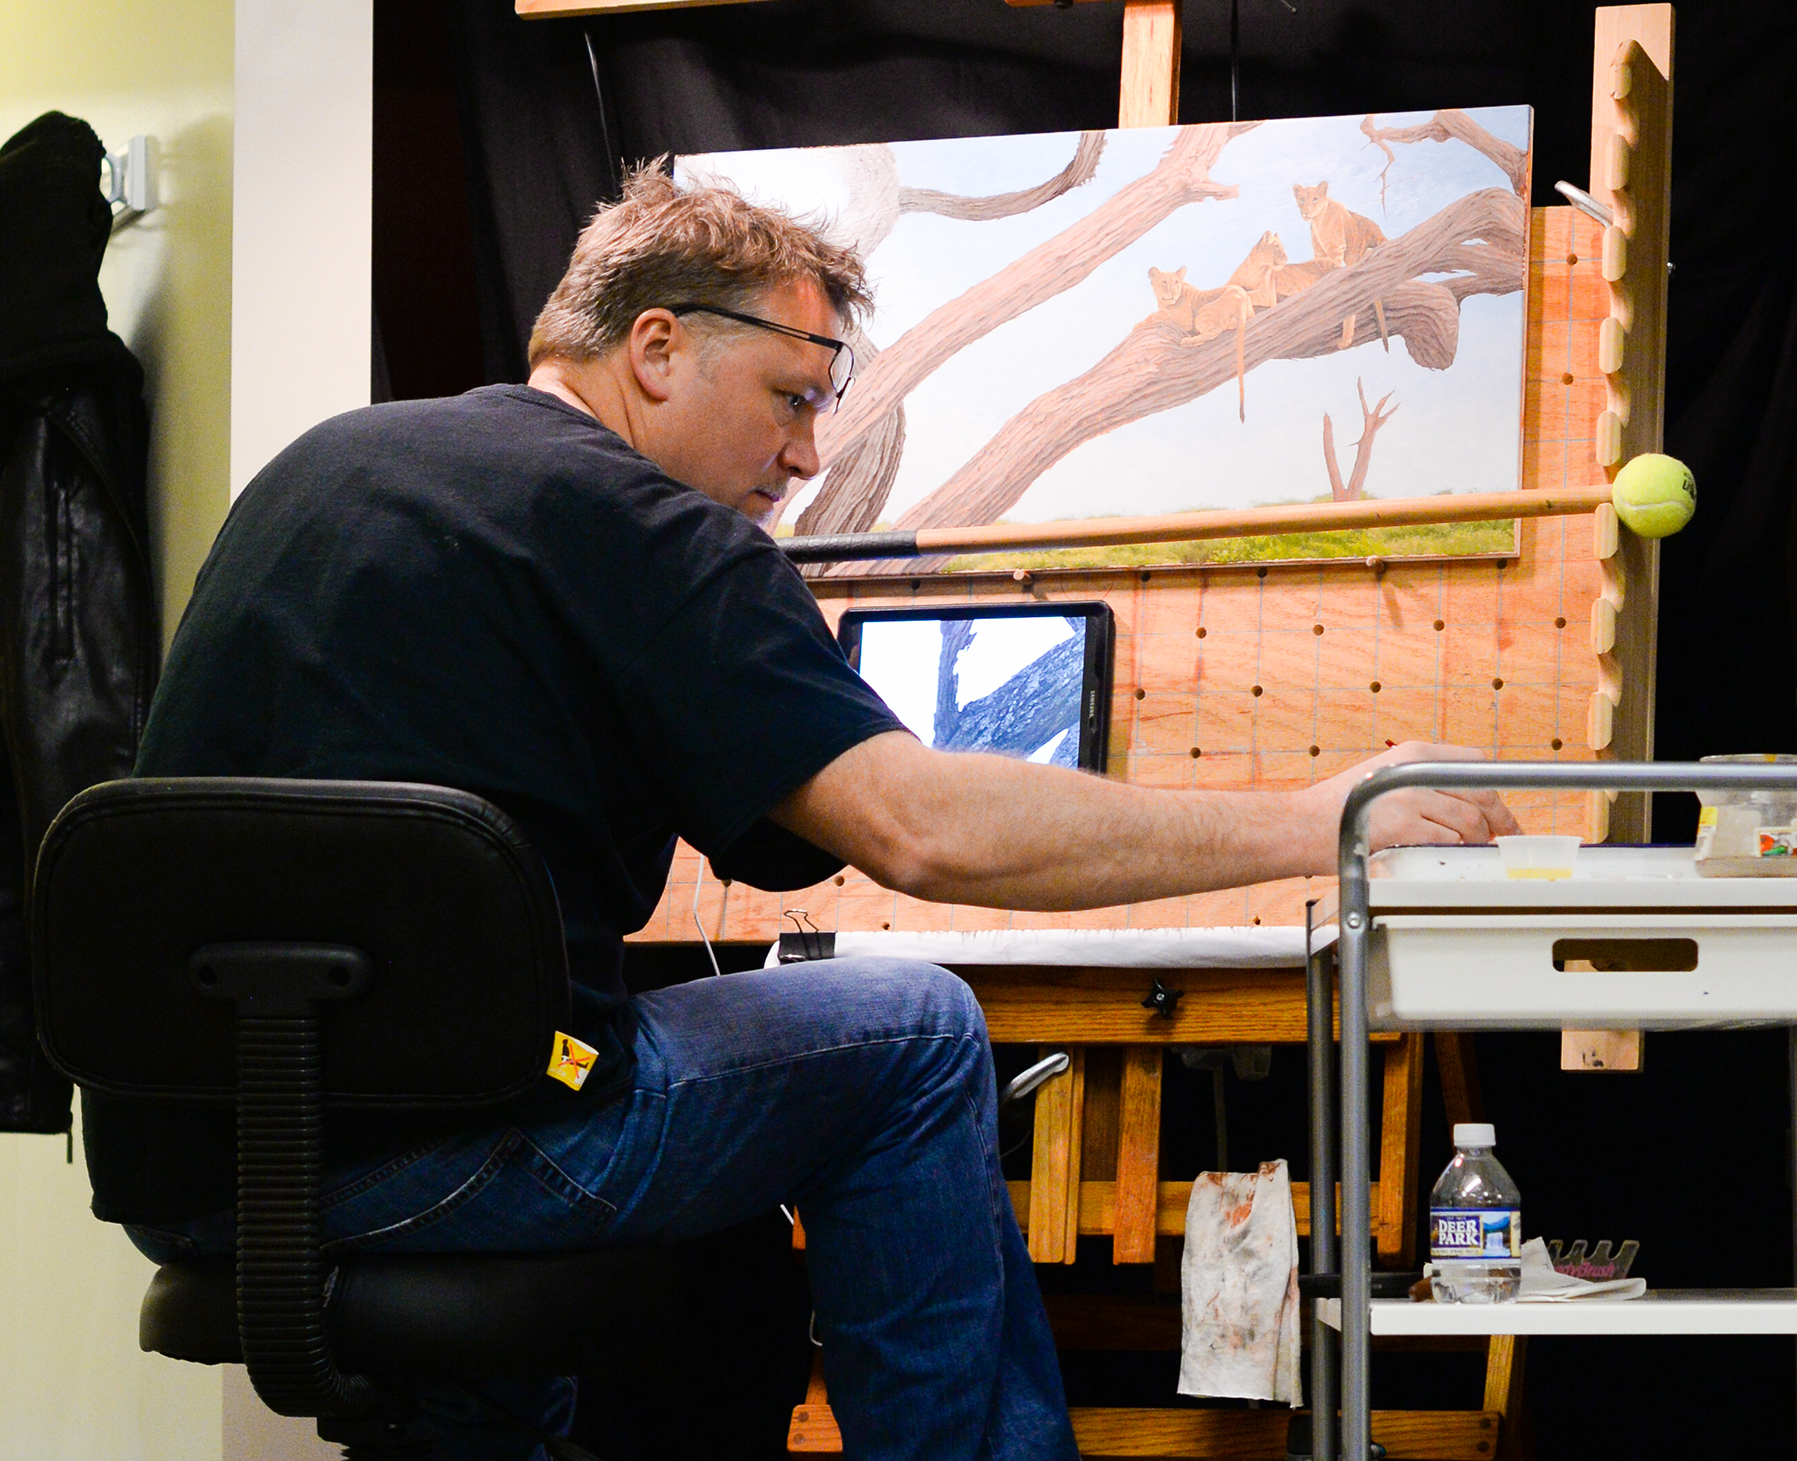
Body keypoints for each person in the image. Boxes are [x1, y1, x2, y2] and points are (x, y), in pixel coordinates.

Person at [94, 168, 1516, 1460]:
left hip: (205, 1176)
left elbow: (754, 838)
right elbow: (922, 834)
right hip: (461, 1165)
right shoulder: (653, 532)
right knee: (911, 1032)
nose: (811, 455)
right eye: (790, 395)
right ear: (653, 349)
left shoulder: (327, 467)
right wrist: (1316, 819)